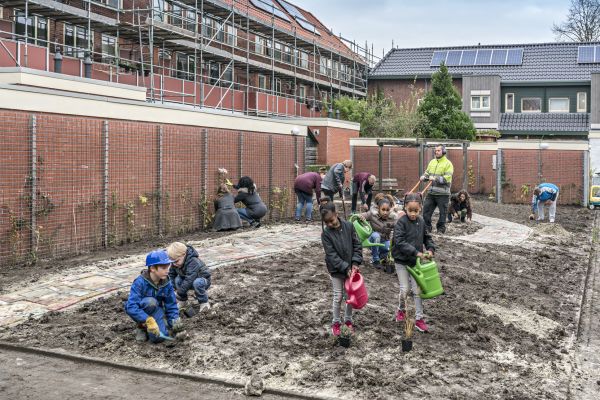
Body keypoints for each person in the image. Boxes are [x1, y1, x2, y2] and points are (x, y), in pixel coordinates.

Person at [392, 193, 435, 333]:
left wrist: (430, 248)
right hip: (401, 261)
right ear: (405, 207)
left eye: (416, 211)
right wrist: (416, 252)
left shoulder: (421, 221)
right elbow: (399, 242)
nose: (413, 214)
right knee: (405, 289)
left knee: (417, 290)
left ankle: (419, 319)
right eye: (410, 210)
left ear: (420, 209)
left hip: (415, 263)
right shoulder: (401, 222)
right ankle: (401, 309)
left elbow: (427, 237)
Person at [320, 203, 363, 336]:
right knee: (338, 296)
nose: (330, 224)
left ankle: (348, 320)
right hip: (336, 270)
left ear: (336, 215)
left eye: (331, 221)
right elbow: (331, 255)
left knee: (350, 296)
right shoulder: (326, 234)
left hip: (351, 268)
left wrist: (355, 262)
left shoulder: (349, 226)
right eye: (327, 223)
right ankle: (336, 322)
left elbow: (357, 244)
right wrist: (345, 267)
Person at [125, 249, 183, 343]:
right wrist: (147, 320)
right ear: (152, 268)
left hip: (157, 310)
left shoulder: (166, 283)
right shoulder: (140, 283)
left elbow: (171, 305)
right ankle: (141, 327)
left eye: (168, 267)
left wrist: (174, 322)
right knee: (150, 302)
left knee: (159, 338)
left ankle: (156, 325)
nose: (167, 271)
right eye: (164, 268)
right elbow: (131, 307)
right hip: (143, 309)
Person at [166, 241, 212, 313]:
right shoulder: (175, 264)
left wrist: (179, 293)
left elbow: (189, 279)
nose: (174, 264)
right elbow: (171, 275)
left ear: (184, 254)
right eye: (172, 262)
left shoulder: (193, 261)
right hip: (189, 281)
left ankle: (204, 303)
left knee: (197, 283)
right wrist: (171, 288)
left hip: (203, 280)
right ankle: (183, 301)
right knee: (178, 280)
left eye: (176, 261)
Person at [359, 195, 400, 269]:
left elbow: (399, 227)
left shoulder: (392, 218)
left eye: (387, 210)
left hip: (384, 240)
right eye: (383, 209)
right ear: (378, 209)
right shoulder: (372, 214)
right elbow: (361, 216)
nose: (385, 212)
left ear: (390, 209)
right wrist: (361, 216)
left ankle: (382, 257)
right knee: (376, 235)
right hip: (372, 240)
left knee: (390, 248)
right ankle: (376, 260)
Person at [421, 145, 454, 234]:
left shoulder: (448, 164)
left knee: (443, 213)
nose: (436, 152)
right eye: (435, 150)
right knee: (426, 211)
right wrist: (424, 177)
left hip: (443, 194)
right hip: (431, 193)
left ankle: (440, 229)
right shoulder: (432, 162)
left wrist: (435, 178)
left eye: (438, 150)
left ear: (443, 151)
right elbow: (427, 173)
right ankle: (427, 228)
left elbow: (447, 178)